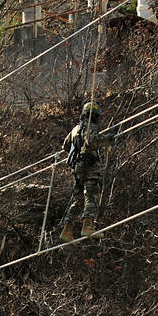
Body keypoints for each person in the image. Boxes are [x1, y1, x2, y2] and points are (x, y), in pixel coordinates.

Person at [58, 102, 104, 243]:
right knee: (91, 194)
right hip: (89, 166)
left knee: (78, 199)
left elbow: (66, 145)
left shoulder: (75, 129)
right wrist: (107, 138)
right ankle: (87, 225)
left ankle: (67, 230)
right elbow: (92, 139)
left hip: (77, 169)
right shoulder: (90, 126)